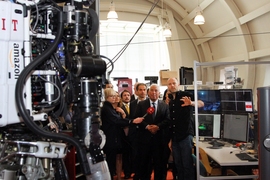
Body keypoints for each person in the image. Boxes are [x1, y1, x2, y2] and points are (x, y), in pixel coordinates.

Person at [100, 88, 144, 179]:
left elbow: (119, 120)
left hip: (116, 138)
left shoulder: (110, 108)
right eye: (111, 96)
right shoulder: (106, 108)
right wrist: (132, 121)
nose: (113, 98)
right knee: (110, 161)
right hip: (111, 139)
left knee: (117, 159)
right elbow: (116, 121)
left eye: (114, 96)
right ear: (106, 97)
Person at [166, 78, 204, 180]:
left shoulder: (186, 94)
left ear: (178, 84)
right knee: (178, 164)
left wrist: (191, 103)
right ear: (167, 86)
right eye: (169, 84)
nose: (172, 85)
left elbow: (201, 103)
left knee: (187, 164)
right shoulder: (169, 99)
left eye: (174, 83)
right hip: (174, 137)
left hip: (185, 135)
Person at [134, 84, 170, 180]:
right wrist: (147, 126)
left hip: (160, 140)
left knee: (160, 165)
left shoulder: (165, 105)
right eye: (152, 90)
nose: (154, 92)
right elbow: (137, 118)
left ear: (159, 93)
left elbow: (167, 120)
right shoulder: (141, 104)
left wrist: (158, 127)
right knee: (145, 165)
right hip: (145, 140)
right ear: (148, 92)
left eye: (156, 91)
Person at [120, 89, 133, 179]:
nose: (127, 97)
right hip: (123, 135)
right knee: (126, 155)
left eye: (128, 95)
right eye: (124, 95)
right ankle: (127, 172)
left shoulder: (134, 106)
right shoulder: (119, 107)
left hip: (133, 134)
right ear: (121, 97)